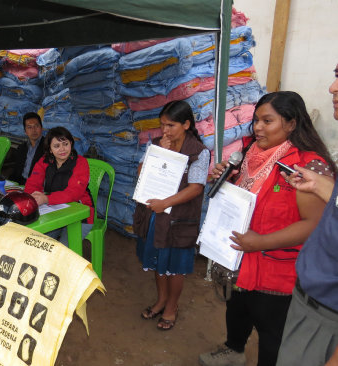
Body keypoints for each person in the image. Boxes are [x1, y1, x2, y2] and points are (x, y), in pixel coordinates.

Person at [199, 91, 336, 366]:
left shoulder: (307, 166)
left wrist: (259, 242)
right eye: (256, 121)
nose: (258, 128)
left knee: (272, 334)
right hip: (239, 257)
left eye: (268, 121)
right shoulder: (250, 154)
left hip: (276, 270)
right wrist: (223, 178)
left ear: (292, 123)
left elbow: (314, 225)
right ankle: (234, 350)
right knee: (237, 309)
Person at [275, 66, 338, 366]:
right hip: (308, 300)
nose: (332, 88)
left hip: (327, 318)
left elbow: (309, 223)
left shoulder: (312, 159)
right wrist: (324, 187)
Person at [135, 100, 209, 331]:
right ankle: (160, 301)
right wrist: (160, 155)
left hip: (179, 219)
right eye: (162, 125)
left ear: (186, 124)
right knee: (158, 261)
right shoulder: (157, 144)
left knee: (175, 266)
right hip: (156, 215)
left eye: (171, 125)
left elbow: (196, 187)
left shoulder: (198, 152)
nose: (165, 131)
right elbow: (141, 171)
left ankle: (171, 307)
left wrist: (165, 203)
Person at [24, 126, 94, 244]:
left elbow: (74, 193)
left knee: (62, 249)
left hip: (80, 215)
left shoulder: (80, 163)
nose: (62, 149)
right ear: (50, 149)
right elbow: (32, 183)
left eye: (65, 144)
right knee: (36, 241)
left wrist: (46, 198)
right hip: (53, 211)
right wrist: (33, 196)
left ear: (71, 144)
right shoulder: (44, 161)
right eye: (56, 146)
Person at [8, 112, 45, 185]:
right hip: (21, 182)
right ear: (25, 131)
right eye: (29, 127)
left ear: (41, 128)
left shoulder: (48, 147)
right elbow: (16, 170)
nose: (33, 130)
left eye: (36, 126)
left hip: (37, 185)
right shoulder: (22, 148)